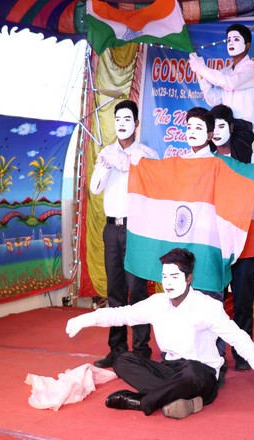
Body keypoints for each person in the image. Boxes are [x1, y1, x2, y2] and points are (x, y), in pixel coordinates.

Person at [65, 248, 254, 419]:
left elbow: (238, 339)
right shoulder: (157, 303)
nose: (168, 283)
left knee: (191, 371)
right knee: (122, 360)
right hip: (170, 370)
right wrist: (87, 319)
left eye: (174, 276)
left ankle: (142, 401)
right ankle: (179, 401)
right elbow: (122, 314)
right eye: (165, 277)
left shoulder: (207, 307)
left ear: (189, 278)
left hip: (201, 375)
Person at [89, 99, 158, 368]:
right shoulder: (106, 152)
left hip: (136, 228)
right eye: (117, 119)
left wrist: (128, 164)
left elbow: (153, 188)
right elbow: (95, 188)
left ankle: (141, 350)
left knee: (137, 289)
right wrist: (106, 165)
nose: (121, 124)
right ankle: (116, 349)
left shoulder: (147, 155)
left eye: (127, 119)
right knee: (115, 291)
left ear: (136, 123)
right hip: (111, 228)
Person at [210, 104, 254, 372]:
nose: (216, 132)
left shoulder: (250, 159)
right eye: (212, 127)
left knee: (243, 300)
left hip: (244, 241)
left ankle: (243, 353)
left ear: (231, 127)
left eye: (222, 126)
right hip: (215, 243)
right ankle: (216, 354)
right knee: (214, 301)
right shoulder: (207, 160)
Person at [188, 23, 254, 126]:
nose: (231, 43)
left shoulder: (251, 66)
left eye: (236, 39)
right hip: (224, 125)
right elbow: (213, 99)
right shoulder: (225, 71)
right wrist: (200, 73)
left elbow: (231, 83)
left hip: (242, 126)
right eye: (229, 40)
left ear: (247, 45)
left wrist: (201, 68)